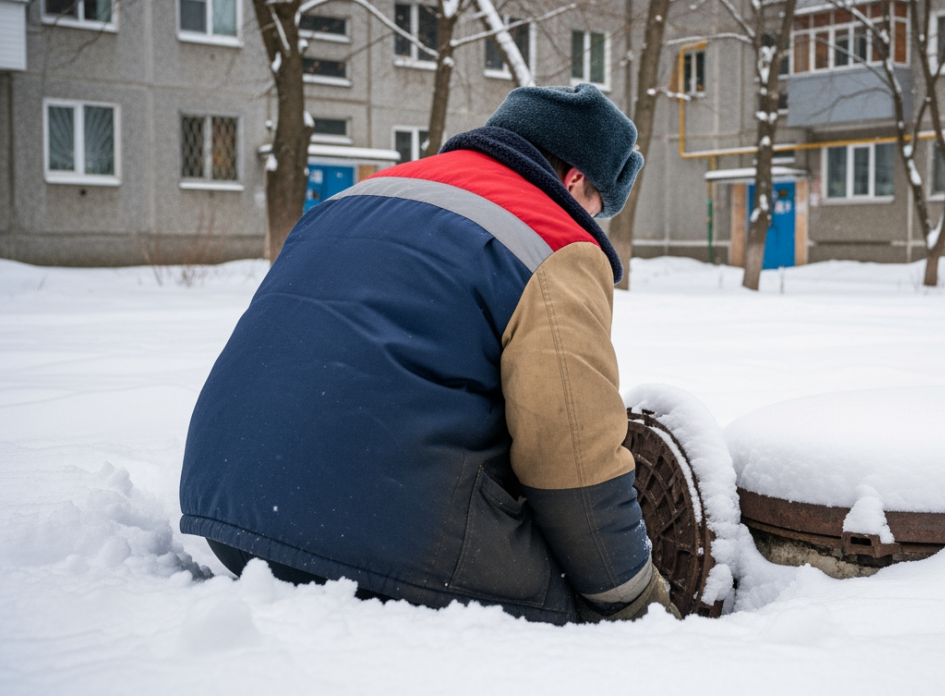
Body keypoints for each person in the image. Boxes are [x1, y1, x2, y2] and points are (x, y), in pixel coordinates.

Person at [179, 84, 679, 624]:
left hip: (224, 512)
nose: (588, 223)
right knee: (579, 604)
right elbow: (571, 459)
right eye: (594, 207)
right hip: (365, 537)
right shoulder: (553, 239)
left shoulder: (356, 197)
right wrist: (639, 602)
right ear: (574, 177)